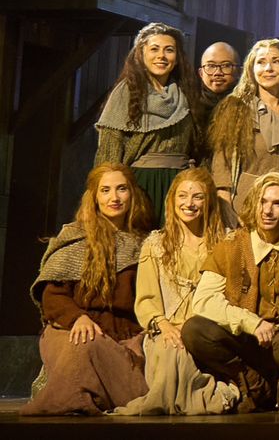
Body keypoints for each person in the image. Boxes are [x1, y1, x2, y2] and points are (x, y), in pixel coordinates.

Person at [23, 163, 149, 416]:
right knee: (83, 346)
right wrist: (77, 317)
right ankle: (66, 407)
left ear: (132, 194)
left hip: (124, 335)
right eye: (105, 190)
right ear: (94, 197)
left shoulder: (145, 244)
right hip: (72, 328)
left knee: (138, 386)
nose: (114, 198)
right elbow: (52, 295)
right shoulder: (75, 237)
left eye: (121, 189)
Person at [113, 166, 238, 414]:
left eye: (197, 197)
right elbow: (146, 299)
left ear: (208, 201)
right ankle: (168, 407)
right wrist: (164, 325)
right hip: (165, 329)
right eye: (182, 196)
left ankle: (199, 400)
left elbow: (233, 297)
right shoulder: (155, 244)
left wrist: (195, 327)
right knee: (173, 348)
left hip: (207, 330)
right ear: (172, 200)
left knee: (188, 344)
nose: (189, 203)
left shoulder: (227, 243)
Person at [182, 172, 279, 413]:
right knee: (195, 330)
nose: (267, 211)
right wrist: (251, 322)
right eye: (263, 202)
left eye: (277, 203)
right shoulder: (232, 245)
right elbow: (204, 300)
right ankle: (253, 384)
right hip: (249, 336)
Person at [96, 24, 201, 215]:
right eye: (154, 49)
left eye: (169, 50)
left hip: (181, 187)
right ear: (141, 54)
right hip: (140, 185)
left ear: (177, 57)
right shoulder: (125, 93)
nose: (161, 56)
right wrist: (107, 192)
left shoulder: (187, 95)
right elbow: (109, 151)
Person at [207, 39, 279, 226]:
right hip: (245, 202)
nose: (268, 68)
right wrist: (225, 207)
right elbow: (222, 164)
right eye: (261, 62)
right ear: (251, 69)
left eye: (276, 61)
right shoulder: (237, 107)